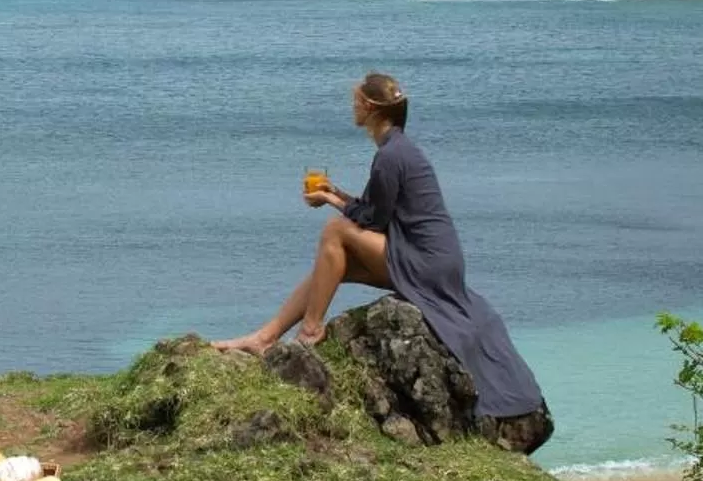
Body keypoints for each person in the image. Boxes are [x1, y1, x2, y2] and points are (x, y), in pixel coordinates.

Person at [213, 72, 553, 453]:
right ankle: (264, 338)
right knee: (333, 265)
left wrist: (328, 201)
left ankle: (309, 334)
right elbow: (376, 209)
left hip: (425, 262)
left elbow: (371, 220)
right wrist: (336, 191)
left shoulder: (391, 156)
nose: (352, 106)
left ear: (371, 109)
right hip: (435, 258)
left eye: (356, 100)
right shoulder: (397, 149)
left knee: (334, 232)